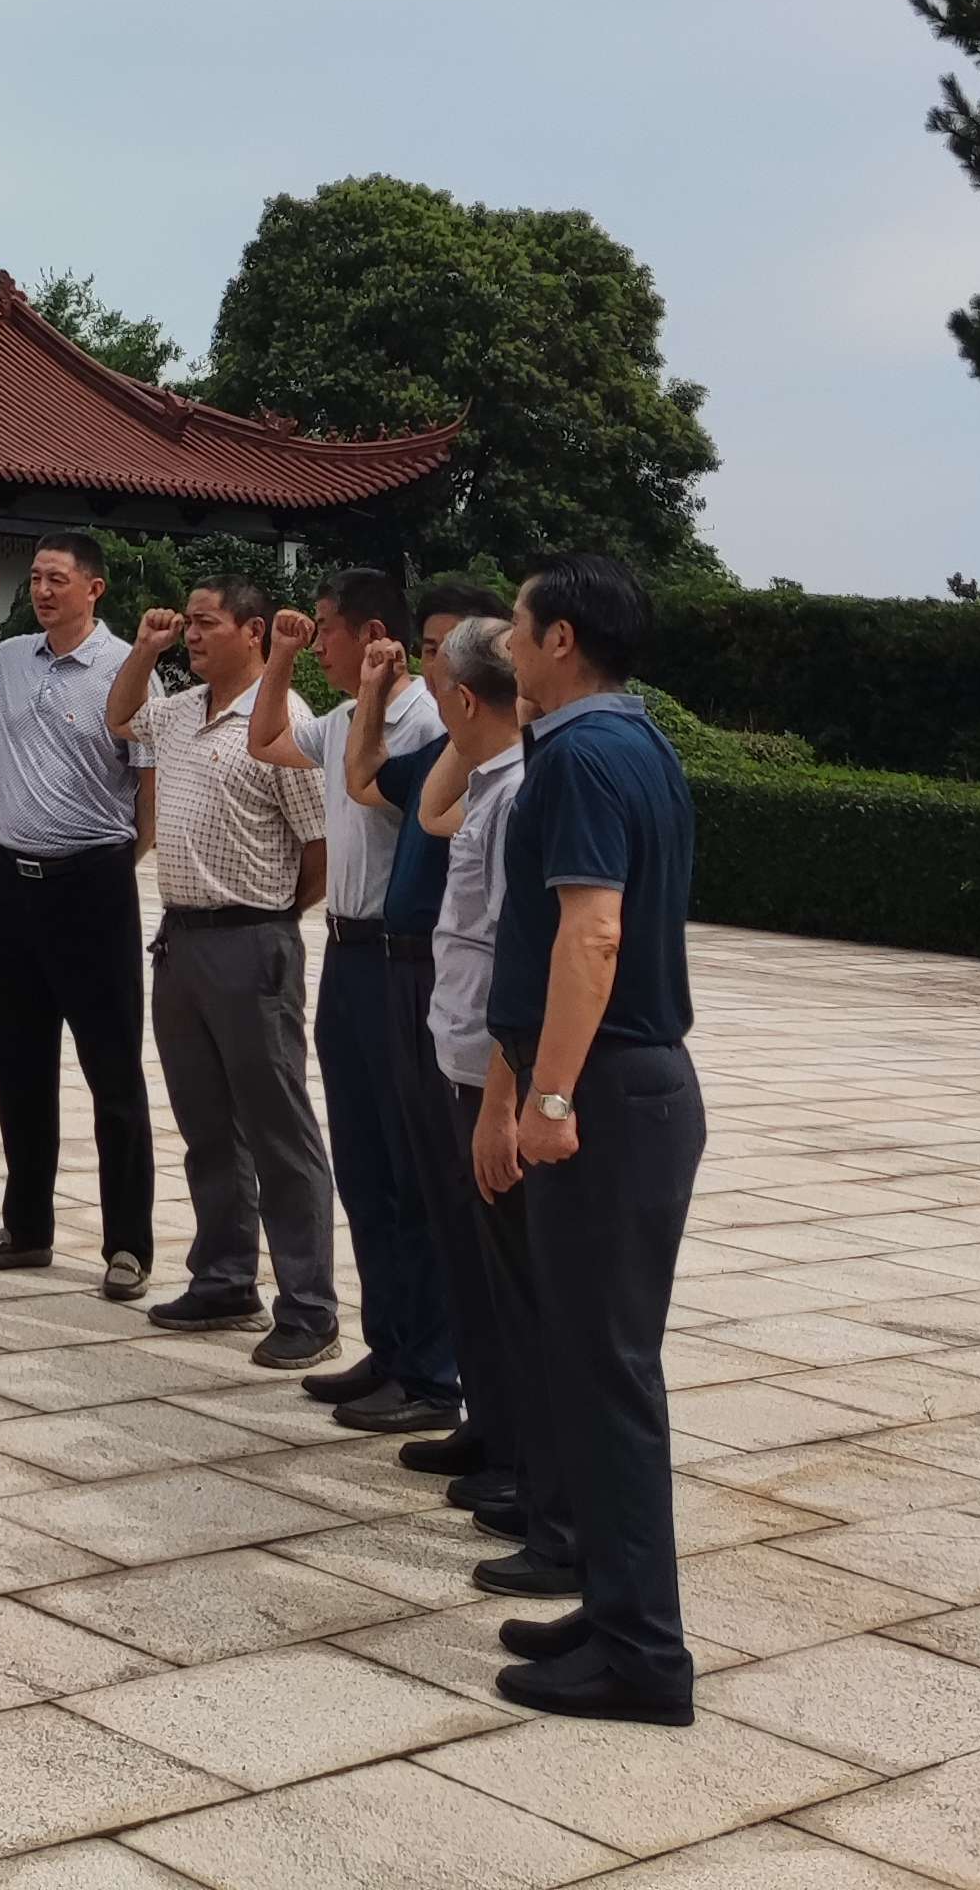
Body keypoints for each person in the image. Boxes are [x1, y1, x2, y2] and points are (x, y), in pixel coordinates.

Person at [474, 553, 705, 1725]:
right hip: (635, 1089)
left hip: (609, 1095)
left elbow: (593, 936)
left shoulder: (578, 755)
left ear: (561, 639)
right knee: (593, 1363)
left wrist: (547, 1097)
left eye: (516, 627)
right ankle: (612, 1610)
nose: (505, 645)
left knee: (608, 1374)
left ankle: (646, 1657)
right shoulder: (642, 741)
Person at [0, 527, 155, 1296]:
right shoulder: (11, 658)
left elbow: (148, 788)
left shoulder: (130, 670)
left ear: (95, 588)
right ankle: (27, 1227)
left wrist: (121, 865)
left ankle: (129, 1245)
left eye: (57, 578)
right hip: (8, 881)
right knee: (15, 1060)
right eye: (37, 579)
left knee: (111, 1066)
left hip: (94, 882)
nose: (42, 590)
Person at [104, 580, 337, 1366]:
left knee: (279, 1129)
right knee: (207, 1126)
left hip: (252, 938)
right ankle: (225, 1274)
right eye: (190, 623)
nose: (194, 634)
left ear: (254, 631)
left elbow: (319, 852)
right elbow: (119, 716)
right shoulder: (179, 709)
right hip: (182, 939)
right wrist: (145, 649)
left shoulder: (286, 722)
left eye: (207, 624)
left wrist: (269, 921)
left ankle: (308, 1304)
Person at [249, 575, 457, 1434]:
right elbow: (265, 737)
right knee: (366, 1169)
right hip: (344, 954)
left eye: (326, 630)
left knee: (414, 1173)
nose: (320, 642)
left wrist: (377, 687)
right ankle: (390, 1345)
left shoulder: (433, 724)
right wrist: (285, 653)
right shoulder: (337, 723)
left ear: (375, 634)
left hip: (402, 959)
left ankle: (434, 1370)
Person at [354, 584, 517, 1496]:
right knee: (448, 1219)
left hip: (479, 1023)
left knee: (482, 1235)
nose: (430, 663)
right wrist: (462, 721)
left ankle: (510, 1438)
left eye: (449, 653)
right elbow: (411, 803)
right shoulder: (461, 757)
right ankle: (484, 1420)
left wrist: (473, 712)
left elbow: (440, 821)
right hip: (423, 989)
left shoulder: (523, 774)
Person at [415, 611, 543, 1553]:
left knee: (517, 1287)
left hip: (486, 1067)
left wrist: (502, 1096)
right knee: (480, 1268)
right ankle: (496, 1433)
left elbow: (513, 955)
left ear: (462, 697)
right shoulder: (494, 777)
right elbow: (428, 808)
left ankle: (530, 1468)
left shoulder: (515, 793)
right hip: (457, 1052)